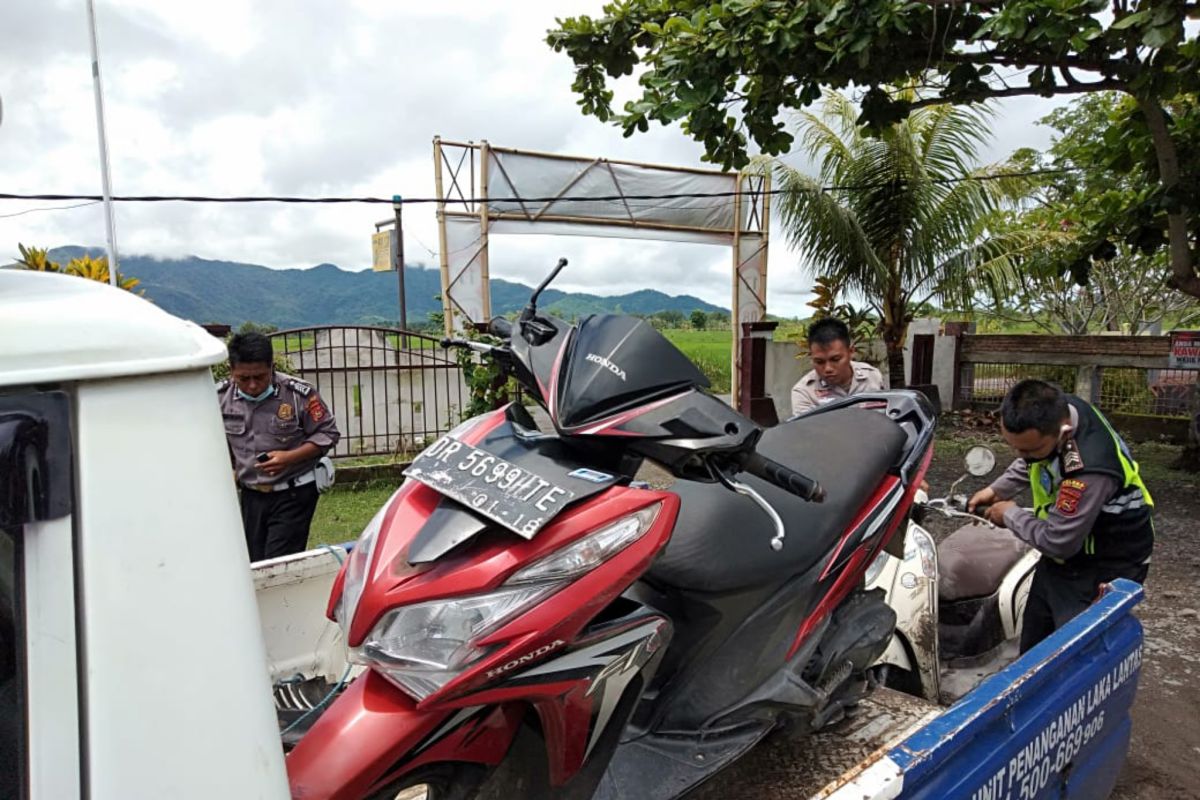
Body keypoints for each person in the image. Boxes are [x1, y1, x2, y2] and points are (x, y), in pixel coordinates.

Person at [968, 379, 1153, 653]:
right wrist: (997, 489)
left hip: (1106, 564)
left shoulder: (1089, 472)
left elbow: (1059, 542)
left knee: (1072, 654)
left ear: (1064, 432)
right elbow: (1033, 459)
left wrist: (1010, 515)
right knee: (1035, 638)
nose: (1021, 456)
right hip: (1066, 555)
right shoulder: (1062, 411)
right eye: (1014, 447)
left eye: (1029, 450)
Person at [218, 333, 340, 561]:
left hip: (293, 493)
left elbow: (328, 433)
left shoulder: (297, 394)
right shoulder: (220, 398)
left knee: (278, 563)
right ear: (231, 370)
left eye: (260, 377)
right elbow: (216, 441)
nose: (252, 385)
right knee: (253, 563)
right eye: (244, 378)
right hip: (251, 495)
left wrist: (289, 457)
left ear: (271, 367)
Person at [790, 318, 884, 416]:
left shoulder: (872, 377)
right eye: (819, 362)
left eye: (835, 359)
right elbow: (807, 430)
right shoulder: (804, 392)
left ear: (851, 352)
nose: (828, 369)